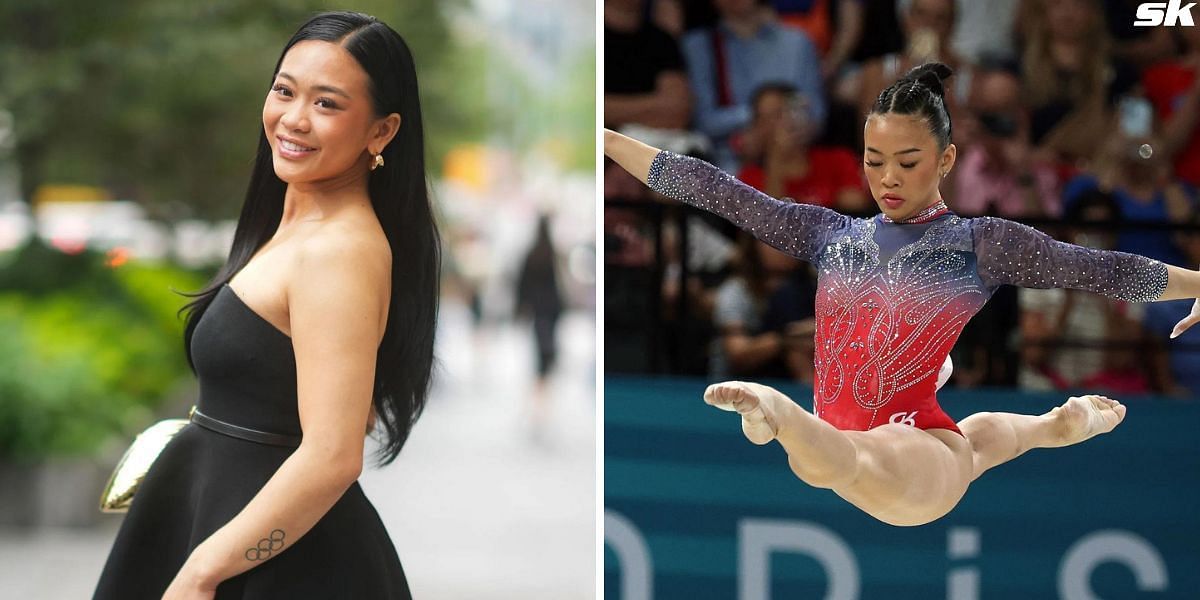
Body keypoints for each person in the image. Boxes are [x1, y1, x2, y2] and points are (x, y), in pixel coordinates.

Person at [604, 62, 1200, 527]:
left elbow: (1097, 269)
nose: (888, 178)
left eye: (908, 162)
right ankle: (1054, 427)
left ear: (946, 160)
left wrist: (1196, 284)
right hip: (863, 441)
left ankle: (779, 417)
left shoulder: (978, 245)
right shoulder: (829, 234)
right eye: (874, 161)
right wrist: (601, 136)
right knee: (974, 444)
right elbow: (712, 189)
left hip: (913, 456)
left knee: (866, 454)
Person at [93, 11, 438, 598]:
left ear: (381, 132)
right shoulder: (298, 225)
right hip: (228, 529)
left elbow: (334, 456)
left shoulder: (338, 251)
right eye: (284, 90)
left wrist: (203, 573)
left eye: (327, 104)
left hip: (272, 566)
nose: (293, 119)